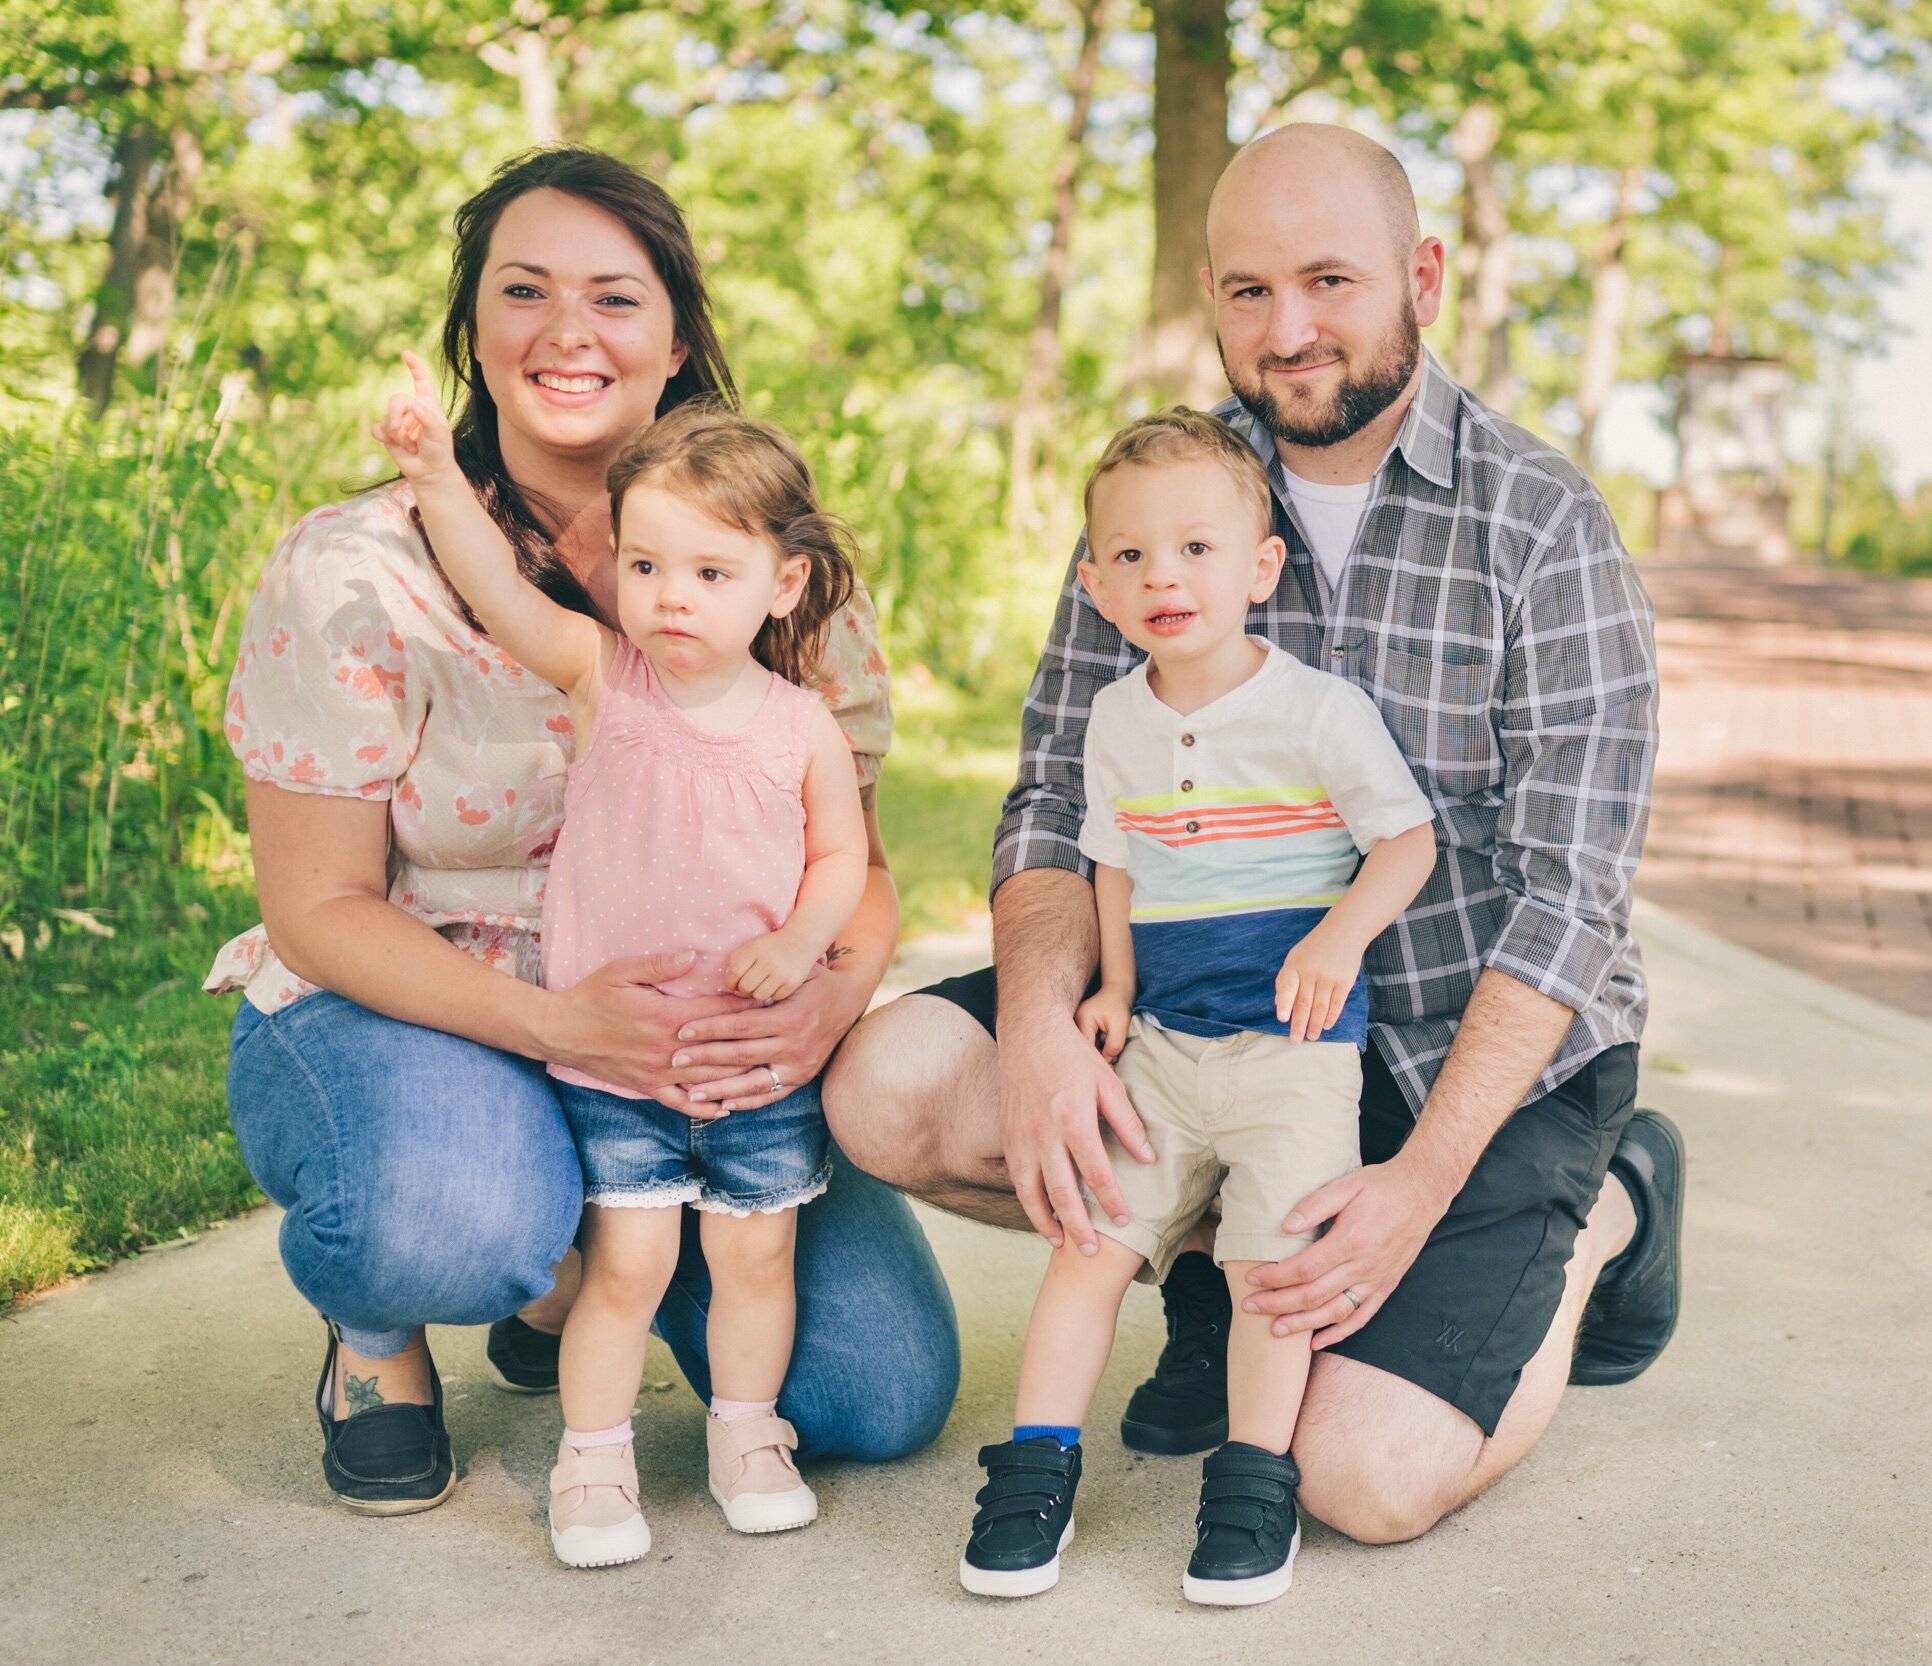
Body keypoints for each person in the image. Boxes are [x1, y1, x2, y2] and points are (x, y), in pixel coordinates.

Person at [828, 121, 1682, 1546]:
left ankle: (1610, 1206)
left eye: (1330, 281)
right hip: (1205, 1023)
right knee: (890, 1089)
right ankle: (1212, 1280)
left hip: (1462, 1051)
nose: (1287, 331)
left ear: (1422, 276)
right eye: (1247, 290)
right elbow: (1054, 798)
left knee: (1359, 1478)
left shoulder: (1544, 525)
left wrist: (1421, 1184)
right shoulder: (1164, 499)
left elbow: (1571, 899)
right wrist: (1041, 1035)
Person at [211, 147, 957, 1517]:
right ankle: (390, 1326)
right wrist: (561, 1026)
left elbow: (850, 860)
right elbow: (318, 909)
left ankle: (567, 1284)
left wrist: (825, 995)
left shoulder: (775, 569)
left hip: (701, 1046)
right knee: (447, 1220)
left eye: (615, 296)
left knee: (877, 1387)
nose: (569, 330)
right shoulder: (359, 568)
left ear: (676, 339)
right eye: (524, 290)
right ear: (472, 326)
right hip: (427, 1012)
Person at [379, 374, 868, 1565]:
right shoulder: (605, 676)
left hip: (753, 1069)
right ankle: (592, 1460)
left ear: (783, 582)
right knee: (627, 1267)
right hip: (622, 1071)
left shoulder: (799, 723)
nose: (671, 596)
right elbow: (498, 591)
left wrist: (799, 943)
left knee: (755, 1259)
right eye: (646, 566)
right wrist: (434, 472)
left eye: (709, 572)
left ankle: (745, 1435)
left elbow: (842, 857)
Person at [955, 410, 1436, 1605]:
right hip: (1163, 1050)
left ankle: (1253, 1482)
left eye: (1194, 549)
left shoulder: (1317, 709)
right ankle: (1035, 1470)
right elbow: (1113, 862)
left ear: (1261, 568)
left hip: (1294, 1055)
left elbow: (1407, 841)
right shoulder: (1115, 718)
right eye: (1128, 556)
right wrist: (1114, 986)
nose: (1161, 577)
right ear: (1094, 586)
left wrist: (1338, 934)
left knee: (1272, 1271)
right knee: (1088, 1246)